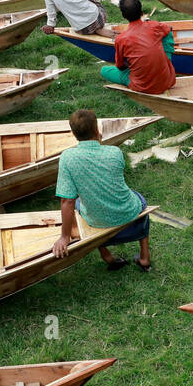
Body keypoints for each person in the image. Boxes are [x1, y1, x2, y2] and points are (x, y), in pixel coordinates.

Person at [53, 109, 152, 271]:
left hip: (97, 220)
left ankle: (107, 255)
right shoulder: (115, 152)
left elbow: (67, 200)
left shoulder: (67, 158)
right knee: (140, 200)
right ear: (97, 130)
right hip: (128, 211)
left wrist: (64, 237)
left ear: (73, 133)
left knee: (80, 203)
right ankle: (144, 257)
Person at [100, 0, 176, 95]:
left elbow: (120, 66)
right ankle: (167, 61)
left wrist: (135, 64)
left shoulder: (121, 39)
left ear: (123, 15)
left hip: (142, 86)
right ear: (141, 12)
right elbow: (168, 29)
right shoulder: (154, 26)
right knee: (167, 33)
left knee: (104, 70)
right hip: (168, 81)